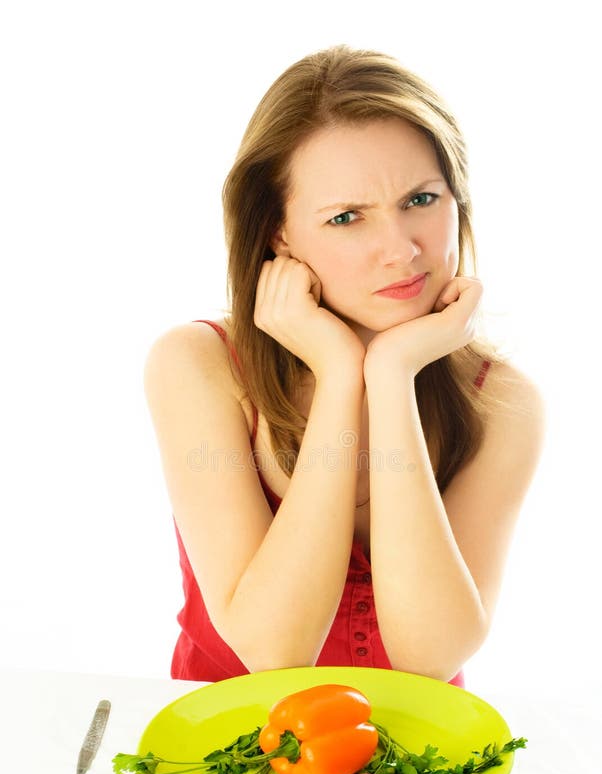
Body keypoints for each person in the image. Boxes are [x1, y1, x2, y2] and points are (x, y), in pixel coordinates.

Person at [144, 44, 545, 687]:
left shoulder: (500, 401)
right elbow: (272, 650)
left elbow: (430, 659)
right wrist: (338, 372)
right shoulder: (200, 365)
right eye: (346, 217)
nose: (402, 251)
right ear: (278, 234)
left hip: (414, 763)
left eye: (420, 200)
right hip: (228, 755)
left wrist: (391, 377)